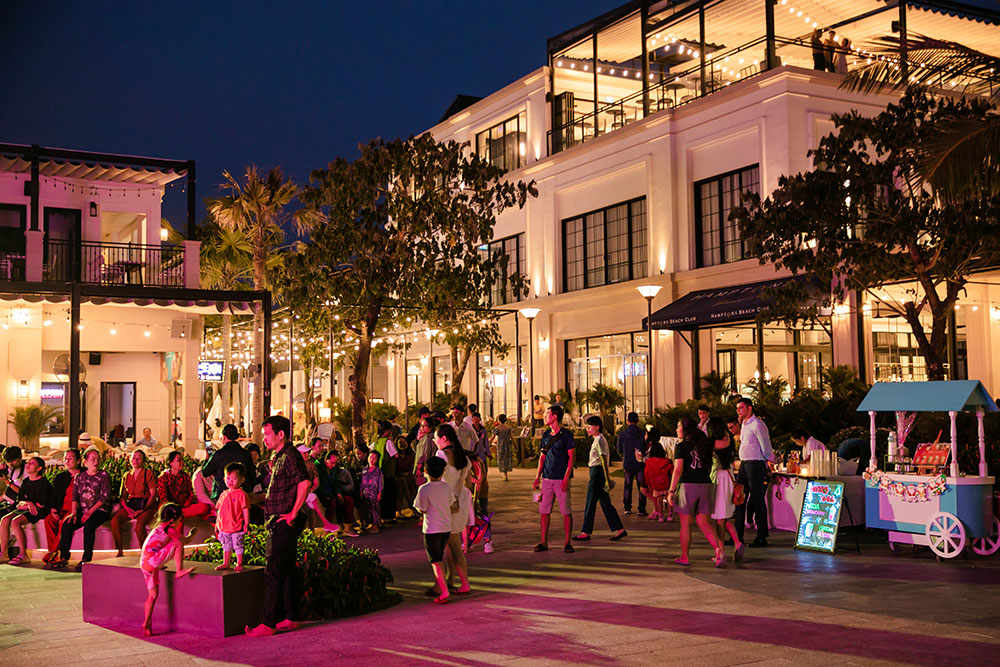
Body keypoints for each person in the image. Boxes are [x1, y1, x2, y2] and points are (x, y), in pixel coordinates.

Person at [246, 415, 311, 637]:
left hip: (284, 521)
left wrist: (293, 512)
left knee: (273, 569)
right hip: (279, 518)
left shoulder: (290, 455)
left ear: (280, 434)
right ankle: (291, 616)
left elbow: (305, 482)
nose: (264, 438)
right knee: (287, 568)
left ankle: (269, 622)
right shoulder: (280, 456)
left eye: (267, 434)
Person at [667, 416, 724, 567]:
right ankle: (718, 550)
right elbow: (724, 443)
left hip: (688, 486)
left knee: (685, 524)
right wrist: (728, 434)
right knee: (704, 522)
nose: (676, 429)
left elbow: (678, 470)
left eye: (678, 426)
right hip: (706, 485)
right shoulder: (705, 443)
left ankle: (685, 556)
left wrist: (671, 491)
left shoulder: (681, 447)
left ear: (684, 429)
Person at [139, 503, 195, 636]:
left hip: (145, 564)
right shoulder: (169, 529)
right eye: (179, 520)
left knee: (152, 596)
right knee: (178, 543)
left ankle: (146, 622)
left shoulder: (158, 528)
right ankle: (179, 570)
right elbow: (184, 541)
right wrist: (193, 533)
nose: (179, 523)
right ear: (172, 520)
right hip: (152, 562)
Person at [55, 448, 112, 570]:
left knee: (89, 525)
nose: (96, 462)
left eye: (97, 459)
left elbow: (104, 497)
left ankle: (86, 557)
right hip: (84, 510)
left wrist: (90, 512)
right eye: (92, 459)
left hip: (99, 510)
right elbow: (75, 497)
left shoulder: (104, 475)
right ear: (85, 462)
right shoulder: (80, 477)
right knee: (67, 524)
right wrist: (74, 513)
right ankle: (64, 556)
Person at [574, 415, 626, 543]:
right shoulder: (597, 439)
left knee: (590, 502)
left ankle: (585, 532)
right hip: (596, 472)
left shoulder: (599, 440)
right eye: (586, 427)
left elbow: (603, 459)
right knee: (605, 503)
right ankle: (619, 529)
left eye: (590, 426)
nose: (587, 429)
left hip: (597, 473)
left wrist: (607, 478)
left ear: (597, 427)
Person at [413, 456, 458, 604]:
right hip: (446, 527)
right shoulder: (446, 487)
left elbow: (421, 508)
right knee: (440, 556)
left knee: (435, 560)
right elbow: (452, 504)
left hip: (431, 529)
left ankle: (444, 591)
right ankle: (440, 587)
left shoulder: (424, 489)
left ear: (425, 471)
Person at [433, 424, 472, 595]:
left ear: (443, 438)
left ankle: (464, 583)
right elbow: (468, 481)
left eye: (436, 437)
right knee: (451, 544)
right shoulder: (461, 455)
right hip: (460, 502)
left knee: (454, 546)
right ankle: (451, 579)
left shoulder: (441, 455)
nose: (435, 441)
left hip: (447, 504)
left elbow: (437, 480)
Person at [532, 405, 576, 553]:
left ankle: (567, 542)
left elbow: (571, 458)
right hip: (547, 479)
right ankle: (543, 542)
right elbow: (542, 457)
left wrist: (566, 477)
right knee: (544, 511)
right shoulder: (545, 436)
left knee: (565, 511)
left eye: (547, 414)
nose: (544, 416)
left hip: (561, 479)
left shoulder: (567, 435)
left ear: (555, 417)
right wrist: (537, 476)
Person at [734, 397, 773, 548]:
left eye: (741, 407)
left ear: (749, 408)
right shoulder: (744, 424)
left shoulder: (757, 424)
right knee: (739, 498)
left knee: (757, 499)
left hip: (755, 463)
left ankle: (761, 536)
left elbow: (765, 445)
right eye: (737, 408)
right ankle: (738, 536)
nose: (738, 410)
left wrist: (766, 459)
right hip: (745, 463)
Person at [0, 456, 51, 565]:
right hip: (26, 508)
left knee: (15, 521)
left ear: (39, 468)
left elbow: (42, 504)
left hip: (37, 511)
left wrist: (30, 504)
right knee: (4, 520)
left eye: (32, 463)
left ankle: (23, 554)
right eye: (28, 462)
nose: (28, 464)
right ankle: (3, 553)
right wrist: (28, 503)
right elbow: (20, 501)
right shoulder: (26, 482)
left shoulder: (44, 483)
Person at [707, 417, 744, 561]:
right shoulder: (728, 439)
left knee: (718, 520)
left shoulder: (713, 443)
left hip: (718, 480)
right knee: (725, 517)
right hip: (729, 479)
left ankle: (720, 552)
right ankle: (737, 542)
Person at [110, 450, 159, 557]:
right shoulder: (127, 475)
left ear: (143, 460)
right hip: (131, 505)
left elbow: (153, 494)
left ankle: (146, 553)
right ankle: (119, 550)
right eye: (134, 457)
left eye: (139, 458)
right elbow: (122, 497)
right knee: (114, 521)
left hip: (146, 506)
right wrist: (127, 509)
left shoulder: (148, 474)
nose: (136, 460)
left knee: (139, 527)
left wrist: (143, 509)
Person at [42, 448, 81, 564]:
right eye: (65, 459)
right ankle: (53, 552)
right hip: (62, 509)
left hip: (76, 510)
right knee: (48, 520)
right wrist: (53, 508)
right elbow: (54, 495)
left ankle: (52, 553)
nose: (67, 461)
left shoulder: (85, 475)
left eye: (70, 459)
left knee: (64, 523)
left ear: (78, 461)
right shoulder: (61, 477)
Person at [201, 424, 255, 500]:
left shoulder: (219, 454)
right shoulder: (245, 454)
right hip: (242, 494)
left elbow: (205, 472)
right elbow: (252, 475)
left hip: (223, 494)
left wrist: (207, 458)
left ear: (224, 437)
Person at [214, 462, 250, 572]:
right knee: (226, 545)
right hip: (224, 526)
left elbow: (245, 509)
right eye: (228, 478)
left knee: (238, 544)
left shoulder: (242, 494)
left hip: (236, 525)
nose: (230, 481)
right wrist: (217, 524)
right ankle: (226, 562)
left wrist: (247, 523)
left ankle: (239, 562)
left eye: (234, 478)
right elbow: (219, 510)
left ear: (242, 480)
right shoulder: (223, 494)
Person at [158, 451, 212, 522]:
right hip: (170, 507)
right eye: (178, 460)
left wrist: (187, 502)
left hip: (185, 507)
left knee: (205, 507)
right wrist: (173, 507)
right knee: (166, 510)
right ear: (170, 463)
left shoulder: (185, 476)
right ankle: (176, 514)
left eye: (182, 460)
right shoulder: (163, 478)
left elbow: (190, 493)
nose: (182, 462)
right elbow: (164, 498)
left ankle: (177, 514)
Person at [319, 449, 358, 536]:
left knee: (348, 499)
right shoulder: (319, 467)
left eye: (335, 463)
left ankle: (348, 528)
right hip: (323, 493)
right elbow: (319, 486)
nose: (333, 465)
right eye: (331, 463)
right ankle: (327, 531)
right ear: (326, 459)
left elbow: (336, 483)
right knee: (331, 503)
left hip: (332, 493)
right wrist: (331, 495)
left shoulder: (333, 469)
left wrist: (338, 493)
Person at [616, 412, 648, 516]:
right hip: (640, 463)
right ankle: (641, 509)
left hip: (628, 462)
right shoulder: (642, 433)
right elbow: (645, 447)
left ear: (627, 421)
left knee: (627, 485)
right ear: (637, 421)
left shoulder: (623, 433)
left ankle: (627, 507)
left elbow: (619, 449)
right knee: (641, 486)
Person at [371, 420, 398, 523]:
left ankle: (382, 516)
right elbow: (395, 455)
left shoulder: (376, 441)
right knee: (390, 494)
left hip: (379, 473)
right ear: (387, 431)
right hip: (388, 473)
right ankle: (389, 517)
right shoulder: (388, 442)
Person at [640, 439, 673, 522]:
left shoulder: (649, 463)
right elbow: (672, 472)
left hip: (656, 485)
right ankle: (670, 515)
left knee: (658, 500)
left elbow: (647, 474)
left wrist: (649, 484)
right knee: (668, 499)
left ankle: (660, 515)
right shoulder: (667, 462)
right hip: (666, 484)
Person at [361, 451, 384, 532]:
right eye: (370, 457)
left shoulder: (378, 471)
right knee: (367, 509)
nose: (371, 460)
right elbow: (362, 482)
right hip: (365, 493)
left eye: (374, 458)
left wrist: (379, 493)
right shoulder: (364, 470)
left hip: (374, 493)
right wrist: (361, 491)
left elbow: (380, 483)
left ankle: (376, 525)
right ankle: (369, 524)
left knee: (375, 508)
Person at [1, 446, 27, 512]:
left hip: (21, 503)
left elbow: (24, 493)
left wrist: (7, 481)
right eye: (8, 461)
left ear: (20, 458)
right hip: (8, 501)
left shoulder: (27, 470)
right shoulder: (8, 468)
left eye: (13, 461)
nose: (10, 464)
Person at [492, 414, 514, 481]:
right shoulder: (508, 428)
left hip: (500, 445)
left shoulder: (497, 428)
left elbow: (492, 437)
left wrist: (488, 442)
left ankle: (504, 474)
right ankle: (506, 473)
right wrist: (515, 444)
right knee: (506, 458)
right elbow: (511, 437)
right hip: (507, 445)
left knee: (501, 458)